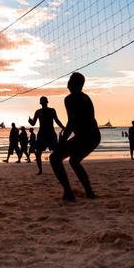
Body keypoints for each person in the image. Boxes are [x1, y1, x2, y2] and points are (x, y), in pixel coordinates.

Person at [51, 72, 101, 201]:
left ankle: (68, 193)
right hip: (93, 136)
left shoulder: (71, 98)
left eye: (70, 80)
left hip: (87, 136)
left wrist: (61, 142)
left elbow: (71, 122)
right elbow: (74, 122)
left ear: (75, 84)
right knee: (74, 161)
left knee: (55, 158)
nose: (68, 83)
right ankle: (89, 192)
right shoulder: (85, 97)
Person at [28, 96, 63, 175]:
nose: (43, 103)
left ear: (42, 103)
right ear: (46, 102)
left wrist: (30, 121)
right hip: (46, 134)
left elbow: (33, 123)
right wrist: (63, 127)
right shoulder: (48, 111)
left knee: (43, 153)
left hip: (47, 134)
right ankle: (42, 170)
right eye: (43, 102)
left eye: (43, 102)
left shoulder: (42, 111)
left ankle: (41, 170)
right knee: (42, 153)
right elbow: (57, 121)